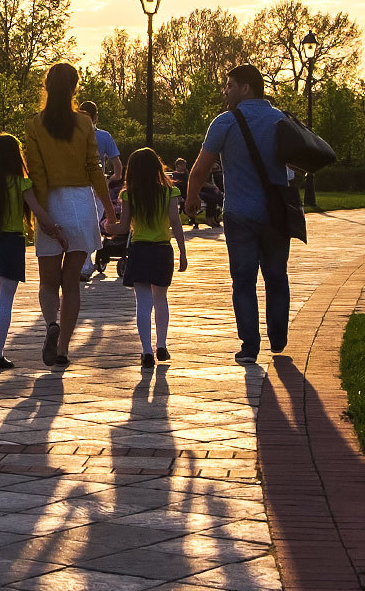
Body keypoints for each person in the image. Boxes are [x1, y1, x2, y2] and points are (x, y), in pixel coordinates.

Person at [184, 63, 291, 365]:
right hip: (275, 215)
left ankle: (249, 347)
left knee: (243, 280)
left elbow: (201, 167)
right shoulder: (280, 120)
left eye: (230, 85)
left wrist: (192, 201)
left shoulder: (225, 122)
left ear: (246, 88)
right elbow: (299, 162)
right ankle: (279, 337)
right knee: (276, 276)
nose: (225, 91)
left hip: (240, 213)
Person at [24, 62, 116, 367]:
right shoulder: (85, 124)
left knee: (48, 284)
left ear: (46, 86)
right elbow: (94, 169)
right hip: (81, 205)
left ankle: (51, 325)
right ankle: (63, 348)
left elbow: (36, 173)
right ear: (75, 88)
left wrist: (43, 216)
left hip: (50, 203)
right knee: (71, 284)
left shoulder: (35, 125)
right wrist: (111, 210)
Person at [0, 133, 65, 370]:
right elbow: (37, 211)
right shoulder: (21, 183)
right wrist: (54, 229)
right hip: (11, 243)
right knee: (6, 302)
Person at [109, 148, 187, 368]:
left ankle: (145, 351)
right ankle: (161, 345)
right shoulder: (169, 192)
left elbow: (123, 227)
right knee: (160, 299)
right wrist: (182, 251)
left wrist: (108, 228)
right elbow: (175, 222)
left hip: (140, 250)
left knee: (142, 303)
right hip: (162, 249)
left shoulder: (129, 194)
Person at [79, 101, 122, 281]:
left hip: (75, 185)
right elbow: (118, 168)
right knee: (93, 224)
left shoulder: (73, 136)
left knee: (79, 224)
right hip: (98, 186)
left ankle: (82, 263)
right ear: (96, 117)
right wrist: (111, 179)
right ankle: (86, 265)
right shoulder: (104, 137)